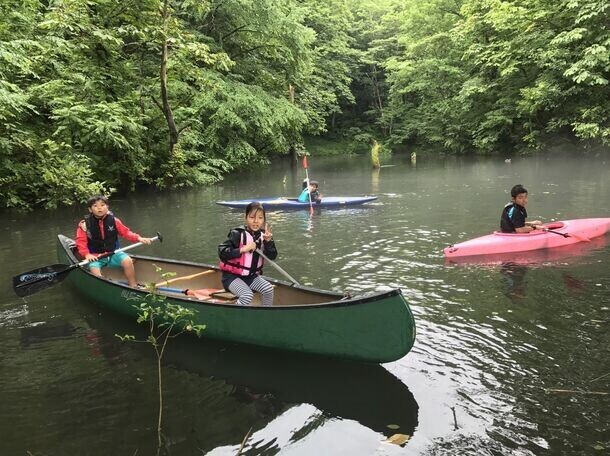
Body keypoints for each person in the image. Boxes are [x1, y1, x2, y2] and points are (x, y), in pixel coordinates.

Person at [75, 195, 153, 287]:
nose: (99, 208)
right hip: (96, 256)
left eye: (102, 205)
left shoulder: (114, 221)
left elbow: (126, 233)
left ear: (107, 207)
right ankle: (104, 286)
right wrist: (87, 255)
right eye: (95, 206)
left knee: (127, 261)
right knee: (94, 268)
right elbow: (80, 242)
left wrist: (139, 238)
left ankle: (133, 285)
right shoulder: (85, 225)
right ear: (90, 209)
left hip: (113, 252)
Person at [218, 202, 277, 306]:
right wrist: (243, 249)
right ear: (245, 218)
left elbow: (272, 256)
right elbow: (222, 252)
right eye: (252, 217)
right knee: (247, 295)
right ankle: (236, 316)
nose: (256, 221)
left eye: (260, 218)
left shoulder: (264, 236)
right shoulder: (237, 234)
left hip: (250, 277)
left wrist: (268, 242)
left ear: (264, 220)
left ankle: (265, 316)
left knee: (268, 289)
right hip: (231, 277)